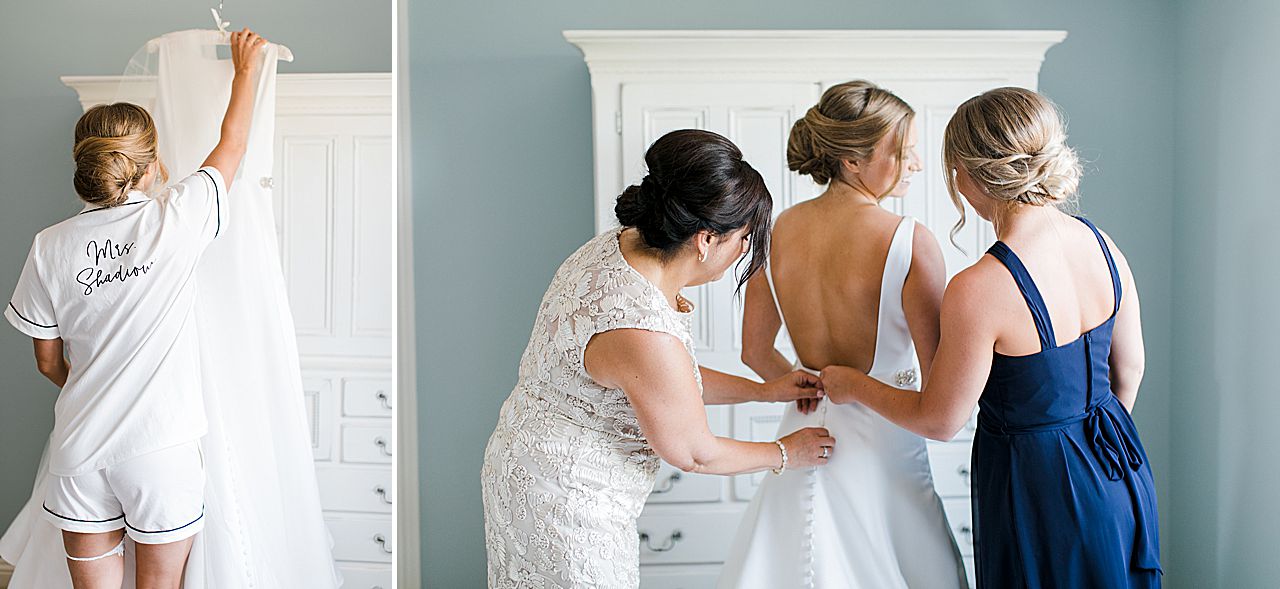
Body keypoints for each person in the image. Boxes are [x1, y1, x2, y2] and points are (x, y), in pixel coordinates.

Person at [819, 87, 1160, 587]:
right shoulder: (1102, 245)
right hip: (1116, 467)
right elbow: (1128, 370)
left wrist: (851, 383)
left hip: (1036, 486)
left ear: (973, 174)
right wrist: (1086, 451)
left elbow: (939, 419)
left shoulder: (979, 288)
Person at [480, 129, 836, 588]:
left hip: (519, 463)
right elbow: (694, 452)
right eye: (744, 238)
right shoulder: (643, 329)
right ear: (706, 239)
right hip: (567, 504)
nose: (745, 251)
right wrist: (787, 452)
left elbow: (664, 382)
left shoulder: (617, 247)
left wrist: (765, 392)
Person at [4, 29, 266, 589]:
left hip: (79, 452)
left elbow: (47, 362)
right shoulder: (175, 220)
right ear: (149, 167)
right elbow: (233, 145)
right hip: (159, 450)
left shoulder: (49, 245)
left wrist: (97, 388)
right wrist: (246, 69)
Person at [719, 80, 968, 589]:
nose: (915, 164)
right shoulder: (909, 242)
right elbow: (941, 378)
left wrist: (808, 387)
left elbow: (754, 350)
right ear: (853, 160)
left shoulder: (777, 231)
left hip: (804, 430)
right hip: (885, 438)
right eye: (903, 151)